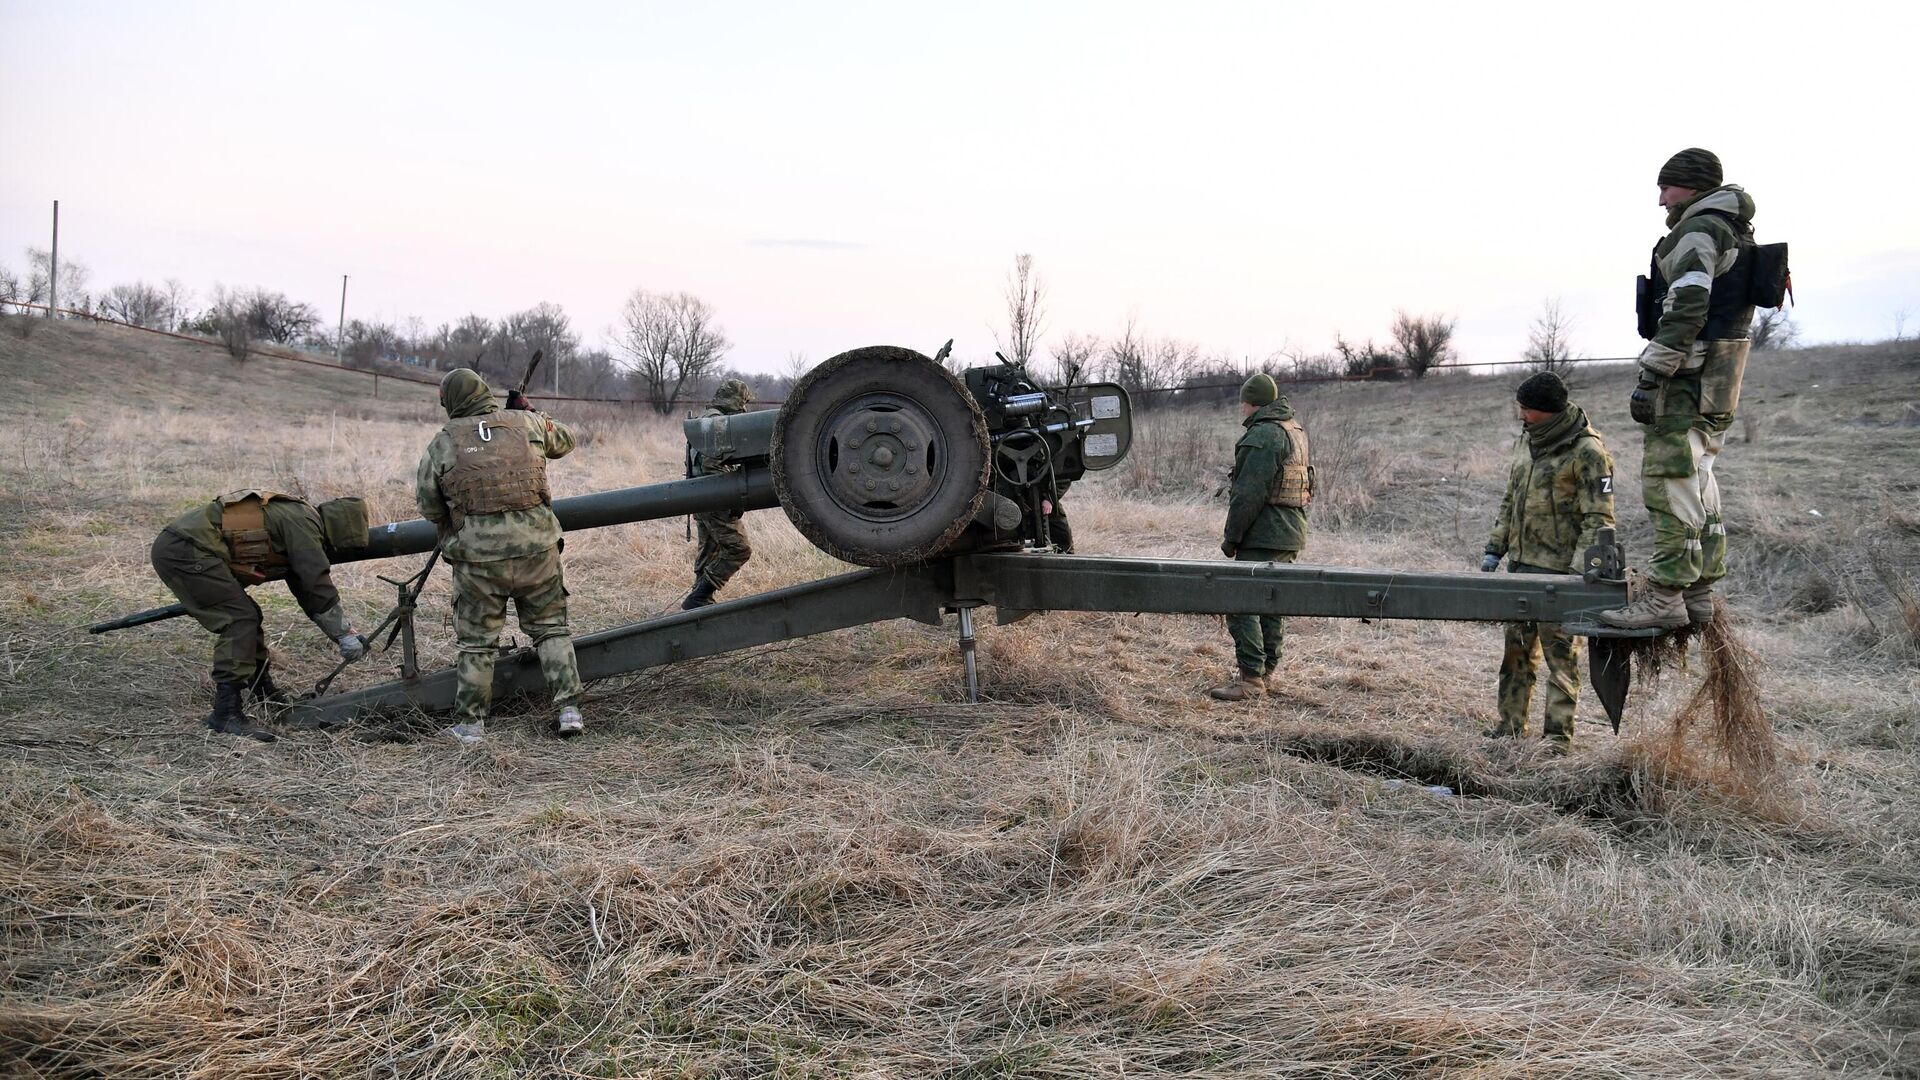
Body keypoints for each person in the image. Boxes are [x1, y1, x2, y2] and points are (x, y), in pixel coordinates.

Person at [1602, 147, 1756, 630]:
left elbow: (1688, 302)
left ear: (1691, 186)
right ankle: (1699, 591)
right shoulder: (1733, 228)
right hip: (1723, 375)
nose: (1661, 199)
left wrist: (1656, 370)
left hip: (1689, 376)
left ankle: (1665, 595)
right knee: (1699, 479)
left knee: (1670, 479)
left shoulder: (1699, 229)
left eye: (1666, 187)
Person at [416, 368, 583, 744]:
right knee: (551, 629)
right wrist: (532, 411)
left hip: (478, 562)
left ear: (452, 401)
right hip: (537, 550)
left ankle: (471, 726)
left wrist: (457, 531)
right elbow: (567, 440)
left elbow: (429, 505)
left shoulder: (443, 442)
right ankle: (569, 710)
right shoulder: (527, 423)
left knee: (476, 643)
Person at [150, 490, 371, 741]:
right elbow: (315, 582)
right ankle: (226, 713)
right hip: (185, 550)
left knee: (248, 614)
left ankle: (263, 692)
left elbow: (303, 585)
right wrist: (343, 633)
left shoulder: (299, 515)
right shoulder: (304, 525)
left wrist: (342, 632)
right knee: (239, 619)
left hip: (185, 546)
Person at [1482, 371, 1616, 750]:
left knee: (1562, 662)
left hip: (1560, 576)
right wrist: (1495, 549)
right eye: (1520, 408)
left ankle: (1556, 741)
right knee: (1515, 654)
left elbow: (1600, 518)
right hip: (1520, 569)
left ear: (1549, 412)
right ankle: (1509, 729)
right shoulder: (1527, 444)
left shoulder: (1587, 452)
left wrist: (1581, 572)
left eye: (1528, 410)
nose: (1521, 416)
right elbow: (1511, 500)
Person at [1210, 372, 1312, 702]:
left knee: (1241, 601)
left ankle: (1251, 679)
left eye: (1243, 402)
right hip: (1290, 530)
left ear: (1250, 402)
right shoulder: (1292, 429)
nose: (1241, 408)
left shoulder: (1264, 435)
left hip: (1265, 532)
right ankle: (1266, 672)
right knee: (1270, 602)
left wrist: (1231, 537)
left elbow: (1248, 494)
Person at [682, 378, 755, 609]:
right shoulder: (718, 422)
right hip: (714, 498)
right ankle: (700, 596)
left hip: (699, 496)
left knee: (709, 551)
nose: (744, 408)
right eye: (742, 402)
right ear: (734, 399)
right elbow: (714, 465)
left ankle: (699, 601)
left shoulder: (706, 417)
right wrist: (733, 497)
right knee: (739, 549)